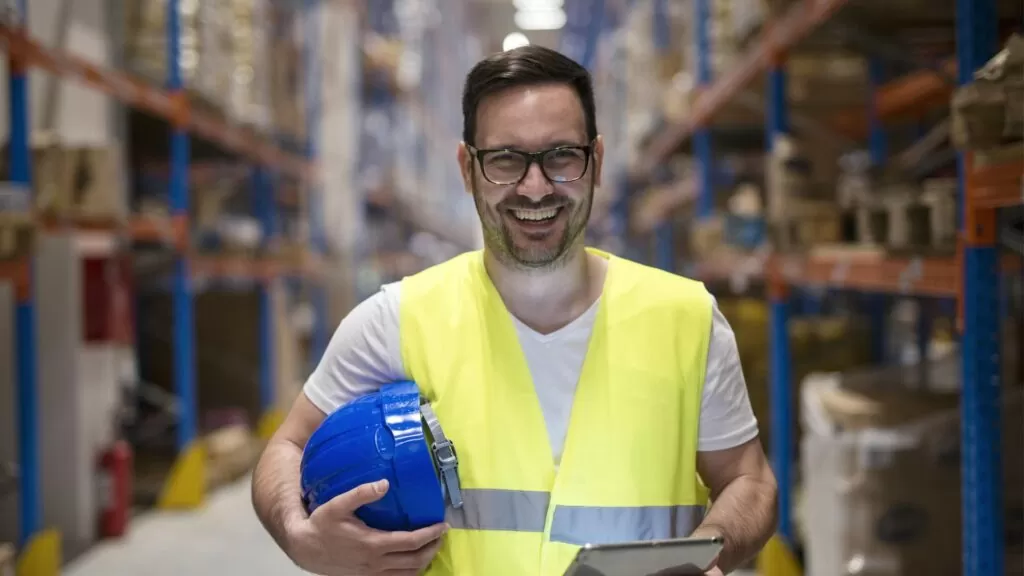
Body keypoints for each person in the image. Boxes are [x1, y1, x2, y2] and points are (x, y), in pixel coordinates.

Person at [252, 45, 778, 576]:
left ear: (595, 162)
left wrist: (708, 552)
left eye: (561, 156)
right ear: (468, 168)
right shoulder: (397, 321)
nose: (535, 186)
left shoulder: (686, 319)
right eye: (505, 159)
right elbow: (288, 447)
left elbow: (749, 480)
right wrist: (301, 536)